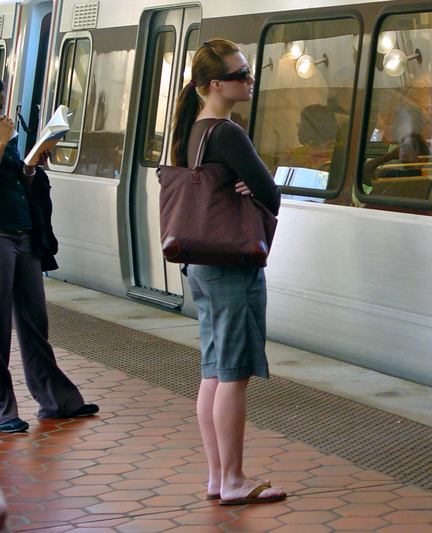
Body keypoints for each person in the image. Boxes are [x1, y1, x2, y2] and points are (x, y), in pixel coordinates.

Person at [170, 38, 285, 505]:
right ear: (215, 84)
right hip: (230, 267)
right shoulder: (228, 133)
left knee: (213, 371)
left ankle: (218, 477)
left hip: (202, 265)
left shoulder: (193, 131)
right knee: (233, 374)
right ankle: (236, 479)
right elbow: (270, 194)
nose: (249, 81)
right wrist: (250, 187)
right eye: (241, 75)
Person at [0, 79, 99, 434]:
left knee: (33, 321)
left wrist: (29, 165)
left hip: (23, 233)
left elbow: (13, 181)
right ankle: (3, 410)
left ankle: (57, 400)